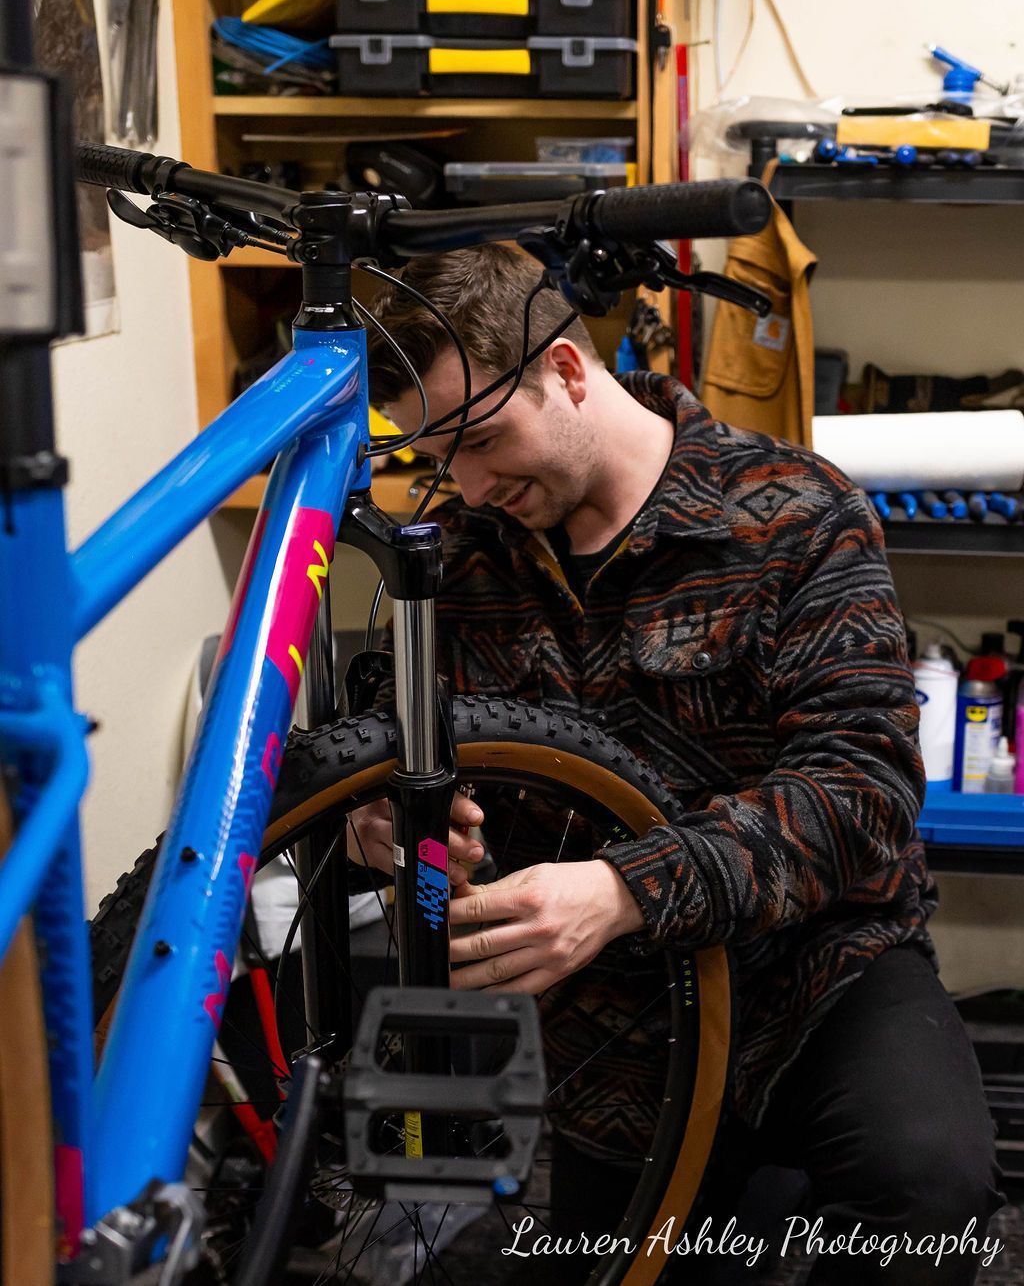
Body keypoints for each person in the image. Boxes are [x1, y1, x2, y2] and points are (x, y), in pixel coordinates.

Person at [349, 243, 1003, 1283]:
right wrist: (386, 824)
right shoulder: (461, 559)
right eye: (436, 453)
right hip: (616, 1030)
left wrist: (624, 888)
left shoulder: (795, 511)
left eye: (479, 436)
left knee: (927, 1194)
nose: (466, 483)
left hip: (814, 976)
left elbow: (860, 791)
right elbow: (394, 750)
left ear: (566, 370)